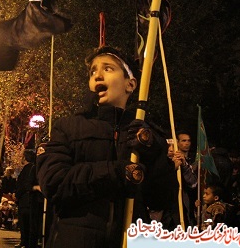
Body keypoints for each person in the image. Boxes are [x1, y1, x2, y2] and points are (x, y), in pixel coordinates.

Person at [37, 45, 163, 248]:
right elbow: (54, 183)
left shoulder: (143, 134)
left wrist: (154, 151)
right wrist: (114, 172)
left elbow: (161, 198)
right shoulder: (68, 127)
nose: (98, 75)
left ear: (130, 84)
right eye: (93, 71)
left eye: (108, 68)